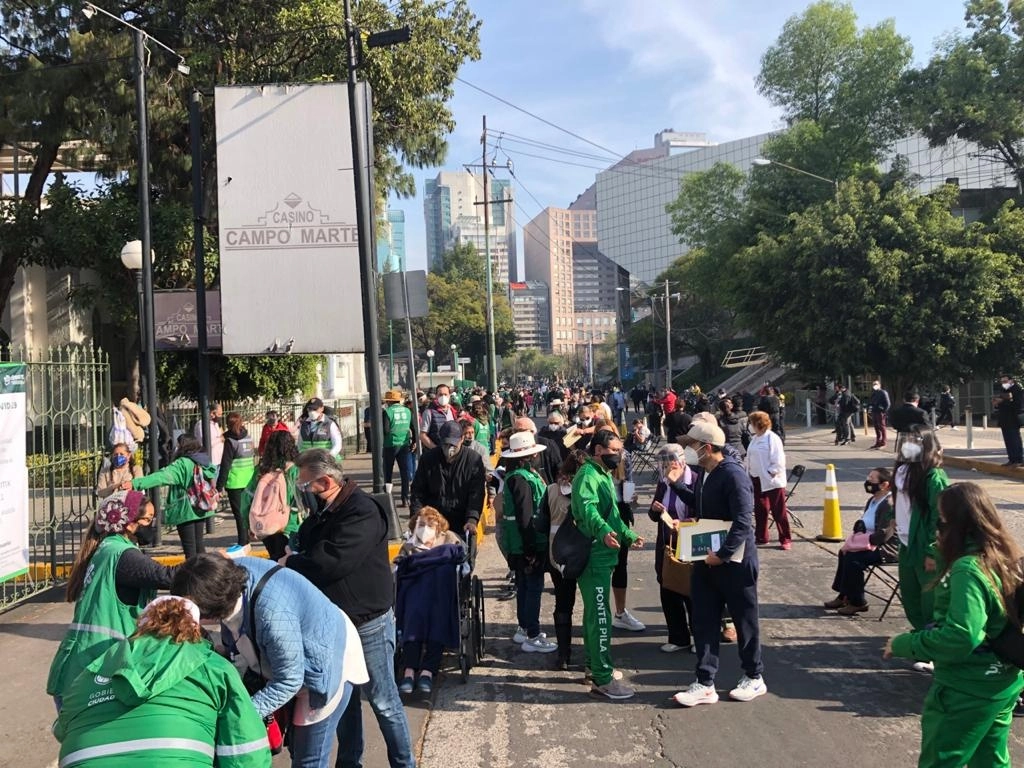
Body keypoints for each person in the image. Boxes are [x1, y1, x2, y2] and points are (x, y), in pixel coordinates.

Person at [284, 449, 415, 768]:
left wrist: (294, 561)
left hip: (367, 622)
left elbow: (330, 562)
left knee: (384, 701)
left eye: (306, 487)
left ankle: (403, 762)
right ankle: (349, 761)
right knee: (344, 703)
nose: (304, 494)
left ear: (326, 481)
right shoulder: (327, 509)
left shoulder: (361, 511)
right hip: (335, 621)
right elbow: (308, 541)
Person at [174, 554, 369, 768]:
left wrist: (241, 715)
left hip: (324, 658)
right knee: (294, 745)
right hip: (289, 652)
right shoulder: (227, 577)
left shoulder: (273, 617)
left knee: (309, 757)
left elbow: (289, 680)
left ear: (212, 610)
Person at [885, 482, 1024, 767]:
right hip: (1002, 681)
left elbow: (961, 636)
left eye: (941, 521)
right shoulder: (1002, 557)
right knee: (991, 761)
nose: (937, 529)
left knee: (941, 760)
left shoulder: (967, 569)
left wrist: (905, 644)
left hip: (965, 688)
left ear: (957, 525)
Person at [53, 594, 270, 768]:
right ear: (196, 630)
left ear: (140, 629)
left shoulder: (91, 673)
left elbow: (62, 730)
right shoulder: (213, 667)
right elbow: (247, 751)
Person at [668, 422, 766, 707]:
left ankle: (754, 676)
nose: (689, 450)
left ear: (706, 448)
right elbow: (702, 507)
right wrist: (677, 488)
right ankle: (705, 682)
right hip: (707, 559)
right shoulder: (705, 473)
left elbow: (743, 521)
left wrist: (722, 554)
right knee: (704, 620)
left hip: (733, 562)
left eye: (692, 444)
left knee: (744, 619)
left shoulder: (733, 475)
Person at [46, 491, 171, 705]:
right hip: (94, 670)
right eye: (148, 519)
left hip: (82, 669)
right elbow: (167, 576)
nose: (152, 525)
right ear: (129, 523)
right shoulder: (122, 555)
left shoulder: (107, 548)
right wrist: (219, 562)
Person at [571, 429, 643, 700]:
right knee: (601, 618)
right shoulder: (588, 476)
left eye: (620, 450)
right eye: (614, 451)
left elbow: (612, 515)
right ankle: (602, 679)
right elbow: (588, 510)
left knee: (594, 614)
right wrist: (603, 532)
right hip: (594, 557)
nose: (619, 455)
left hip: (602, 555)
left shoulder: (601, 474)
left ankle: (594, 667)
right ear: (599, 451)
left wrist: (628, 535)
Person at [396, 507, 466, 693]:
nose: (424, 528)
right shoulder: (409, 546)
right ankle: (409, 671)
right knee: (413, 622)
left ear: (438, 528)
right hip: (415, 596)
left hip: (440, 595)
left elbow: (460, 559)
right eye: (421, 525)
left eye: (429, 525)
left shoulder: (449, 540)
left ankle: (427, 671)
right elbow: (400, 567)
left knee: (438, 622)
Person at [501, 431, 558, 653]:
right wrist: (531, 549)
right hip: (527, 542)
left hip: (519, 543)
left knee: (524, 586)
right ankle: (532, 635)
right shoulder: (521, 479)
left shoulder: (517, 476)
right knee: (533, 587)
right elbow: (525, 517)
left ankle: (524, 628)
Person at [894, 427, 949, 639]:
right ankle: (919, 634)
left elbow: (941, 516)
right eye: (906, 441)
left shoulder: (934, 476)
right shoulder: (902, 472)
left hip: (924, 545)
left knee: (930, 599)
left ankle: (932, 641)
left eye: (914, 441)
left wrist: (931, 550)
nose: (908, 445)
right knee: (910, 595)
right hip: (905, 542)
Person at [824, 467, 898, 615]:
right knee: (844, 552)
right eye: (868, 477)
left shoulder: (889, 504)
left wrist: (861, 542)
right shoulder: (872, 499)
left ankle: (858, 602)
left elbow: (884, 535)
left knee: (854, 559)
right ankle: (844, 595)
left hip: (886, 547)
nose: (868, 481)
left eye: (872, 479)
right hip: (868, 541)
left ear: (885, 485)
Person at [130, 436, 217, 559]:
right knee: (199, 545)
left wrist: (135, 483)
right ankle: (206, 573)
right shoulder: (204, 461)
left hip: (185, 510)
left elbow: (161, 477)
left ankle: (194, 576)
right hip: (201, 507)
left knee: (190, 549)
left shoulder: (182, 463)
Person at [544, 450, 589, 670]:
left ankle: (563, 654)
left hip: (558, 555)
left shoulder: (552, 490)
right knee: (592, 604)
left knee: (563, 603)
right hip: (587, 553)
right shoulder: (589, 488)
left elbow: (541, 524)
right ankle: (592, 656)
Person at [648, 444, 695, 654]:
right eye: (664, 466)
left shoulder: (694, 481)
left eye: (670, 465)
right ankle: (678, 637)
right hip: (667, 542)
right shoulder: (663, 483)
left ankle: (700, 637)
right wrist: (655, 510)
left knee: (693, 591)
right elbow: (653, 514)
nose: (667, 469)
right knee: (668, 587)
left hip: (689, 540)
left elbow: (702, 511)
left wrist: (684, 523)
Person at [410, 420, 486, 536]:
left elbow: (476, 493)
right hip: (434, 522)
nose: (449, 448)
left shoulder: (473, 460)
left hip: (462, 521)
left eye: (453, 444)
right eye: (446, 444)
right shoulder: (428, 459)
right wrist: (417, 517)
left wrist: (472, 519)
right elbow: (418, 491)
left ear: (461, 439)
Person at [241, 429, 302, 561]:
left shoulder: (261, 470)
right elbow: (299, 501)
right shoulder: (295, 471)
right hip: (289, 526)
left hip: (266, 522)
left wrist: (249, 523)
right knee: (287, 561)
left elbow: (246, 499)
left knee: (273, 556)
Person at [745, 411, 791, 550]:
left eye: (751, 423)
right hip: (756, 478)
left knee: (779, 511)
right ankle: (761, 536)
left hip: (772, 480)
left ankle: (785, 538)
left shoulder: (772, 438)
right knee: (760, 509)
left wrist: (771, 472)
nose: (750, 426)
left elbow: (779, 459)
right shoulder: (755, 438)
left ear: (757, 424)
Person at [219, 411, 257, 546]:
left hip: (234, 482)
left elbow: (225, 465)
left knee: (239, 515)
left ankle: (243, 541)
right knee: (247, 511)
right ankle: (250, 536)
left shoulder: (231, 441)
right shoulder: (248, 437)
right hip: (249, 480)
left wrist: (219, 487)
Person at [382, 389, 415, 507]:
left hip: (390, 444)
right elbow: (413, 427)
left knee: (388, 472)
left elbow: (385, 430)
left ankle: (388, 497)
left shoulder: (387, 412)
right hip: (404, 444)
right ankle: (405, 498)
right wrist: (414, 441)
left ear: (389, 401)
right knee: (405, 472)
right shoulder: (407, 411)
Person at [993, 374, 1024, 468]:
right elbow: (1001, 402)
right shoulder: (1004, 390)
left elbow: (1018, 405)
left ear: (1011, 381)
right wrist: (996, 403)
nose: (1003, 383)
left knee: (1014, 439)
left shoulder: (1017, 390)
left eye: (1005, 381)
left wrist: (1003, 402)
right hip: (1004, 419)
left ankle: (1019, 459)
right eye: (1002, 381)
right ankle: (1012, 459)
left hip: (1013, 419)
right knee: (1008, 440)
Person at [890, 390, 930, 454]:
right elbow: (928, 427)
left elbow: (894, 424)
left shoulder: (896, 411)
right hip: (918, 438)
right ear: (917, 401)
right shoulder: (921, 412)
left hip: (902, 436)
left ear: (904, 400)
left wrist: (902, 428)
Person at [420, 384, 458, 450]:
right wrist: (436, 449)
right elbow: (423, 435)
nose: (443, 397)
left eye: (445, 394)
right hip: (434, 453)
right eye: (440, 394)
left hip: (451, 452)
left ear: (449, 395)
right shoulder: (429, 412)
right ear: (436, 396)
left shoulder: (453, 411)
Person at [193, 402, 225, 466]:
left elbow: (222, 437)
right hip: (211, 461)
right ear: (212, 413)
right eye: (219, 414)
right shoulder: (202, 424)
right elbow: (204, 443)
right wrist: (220, 439)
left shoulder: (216, 424)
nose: (220, 416)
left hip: (219, 460)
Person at [868, 380, 891, 449]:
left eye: (876, 384)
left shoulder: (883, 392)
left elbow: (888, 404)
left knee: (882, 427)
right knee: (876, 427)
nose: (874, 385)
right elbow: (871, 402)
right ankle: (878, 441)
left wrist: (884, 411)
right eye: (873, 384)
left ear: (879, 385)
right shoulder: (874, 393)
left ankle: (883, 442)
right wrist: (869, 407)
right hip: (874, 411)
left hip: (880, 412)